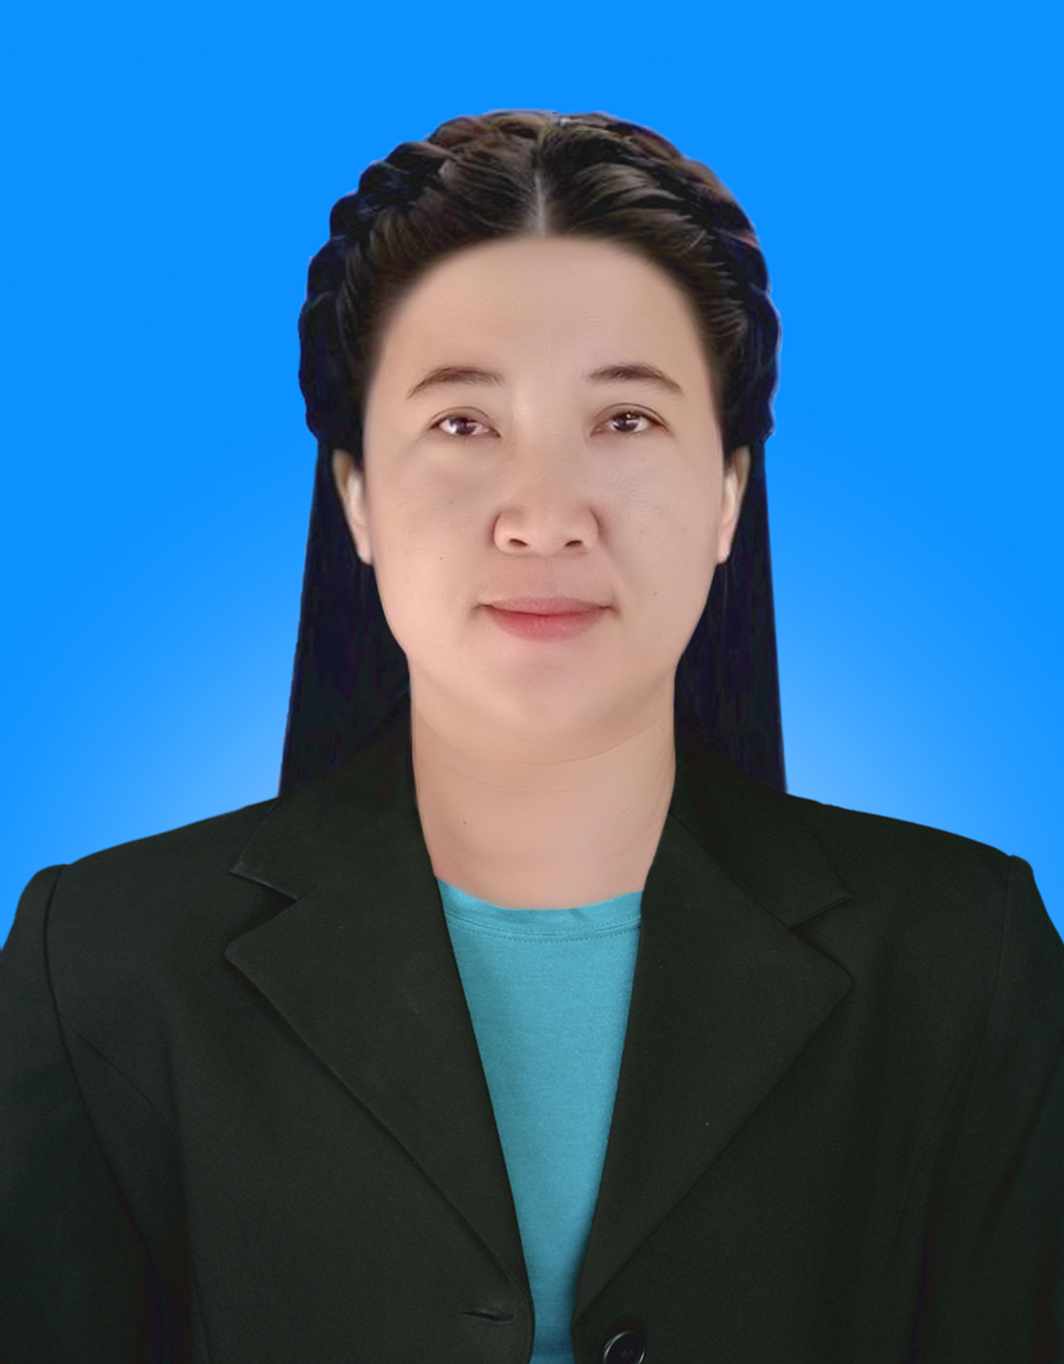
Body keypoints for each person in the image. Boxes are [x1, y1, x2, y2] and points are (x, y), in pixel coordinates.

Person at [3, 108, 1062, 1364]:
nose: (544, 515)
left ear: (728, 492)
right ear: (355, 496)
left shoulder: (962, 956)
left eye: (625, 420)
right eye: (463, 422)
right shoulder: (105, 961)